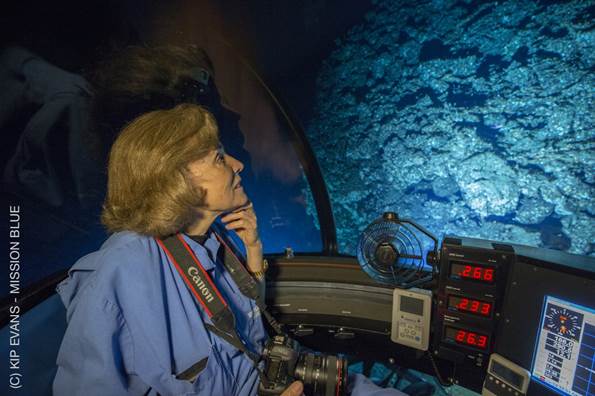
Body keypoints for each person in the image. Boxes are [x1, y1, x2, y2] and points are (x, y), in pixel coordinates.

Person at [53, 103, 407, 396]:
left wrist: (253, 252)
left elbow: (247, 339)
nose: (237, 164)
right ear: (179, 181)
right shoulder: (120, 271)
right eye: (220, 158)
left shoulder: (209, 240)